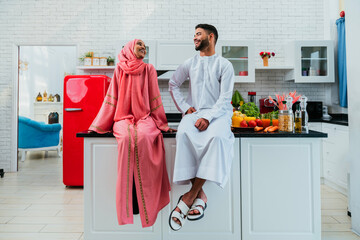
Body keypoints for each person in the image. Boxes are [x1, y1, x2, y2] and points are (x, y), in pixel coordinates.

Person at [89, 39, 176, 228]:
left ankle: (145, 201)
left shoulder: (149, 69)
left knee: (145, 137)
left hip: (145, 118)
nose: (143, 49)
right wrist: (99, 124)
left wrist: (162, 123)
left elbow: (155, 99)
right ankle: (130, 203)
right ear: (130, 48)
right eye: (140, 46)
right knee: (127, 139)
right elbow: (111, 99)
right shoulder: (119, 69)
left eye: (145, 47)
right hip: (122, 118)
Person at [168, 24, 235, 230]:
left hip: (219, 114)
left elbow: (225, 98)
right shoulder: (189, 63)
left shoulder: (225, 65)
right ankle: (200, 194)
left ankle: (189, 196)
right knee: (184, 134)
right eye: (194, 34)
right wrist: (186, 108)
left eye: (198, 34)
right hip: (194, 113)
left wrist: (208, 117)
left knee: (217, 139)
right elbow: (173, 84)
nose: (195, 38)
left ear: (211, 36)